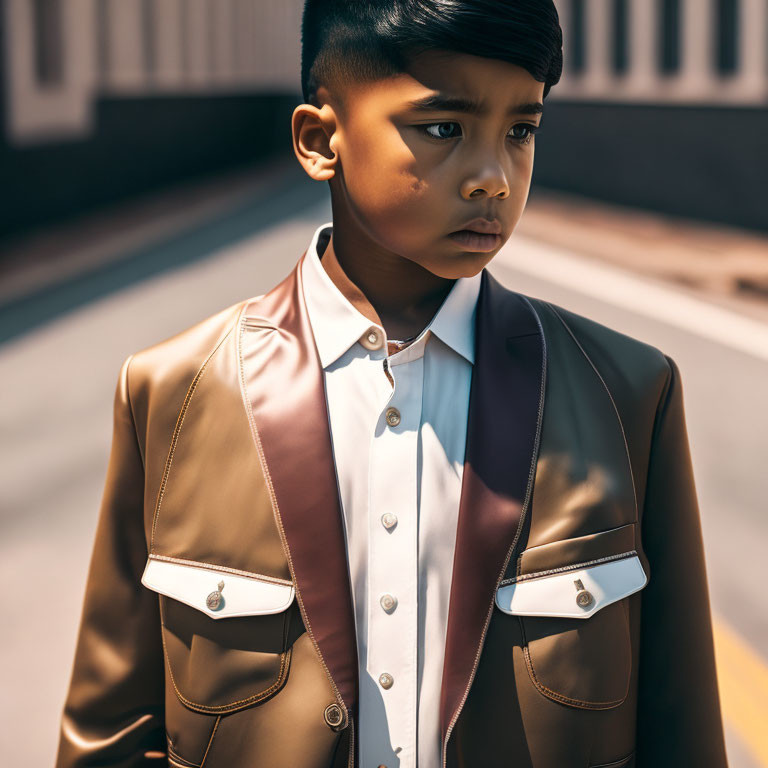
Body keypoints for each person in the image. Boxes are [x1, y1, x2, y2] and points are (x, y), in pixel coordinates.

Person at [55, 1, 729, 767]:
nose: (492, 178)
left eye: (522, 131)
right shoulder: (171, 393)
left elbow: (683, 738)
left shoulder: (631, 393)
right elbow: (109, 739)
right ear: (320, 141)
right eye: (443, 128)